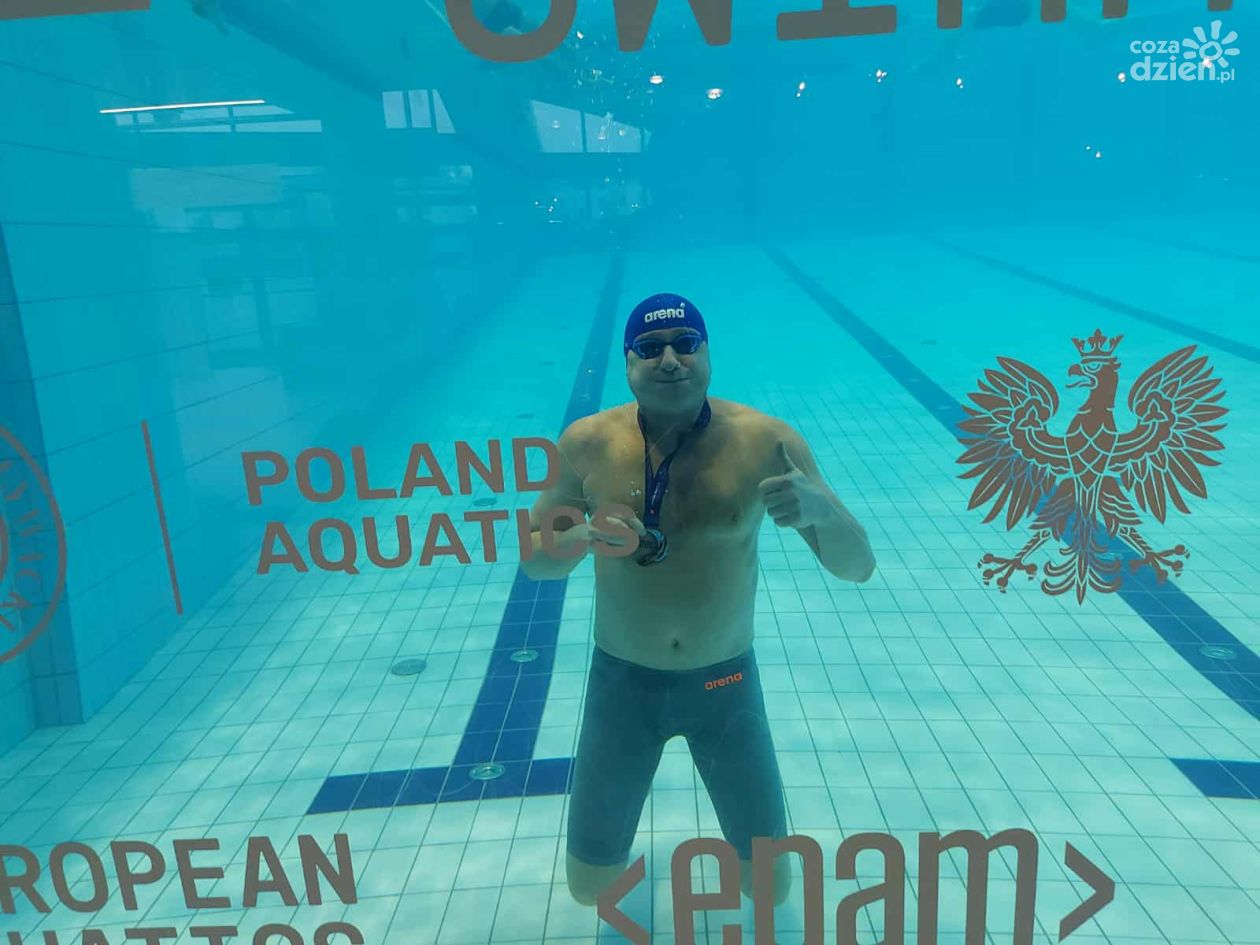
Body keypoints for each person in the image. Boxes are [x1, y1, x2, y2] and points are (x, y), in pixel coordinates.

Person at [520, 292, 877, 907]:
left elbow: (858, 567)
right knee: (589, 890)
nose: (670, 360)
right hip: (623, 687)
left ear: (707, 353)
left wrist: (821, 510)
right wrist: (580, 538)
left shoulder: (767, 442)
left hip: (724, 685)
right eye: (650, 348)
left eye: (686, 344)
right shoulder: (586, 443)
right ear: (627, 362)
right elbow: (535, 562)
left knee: (771, 888)